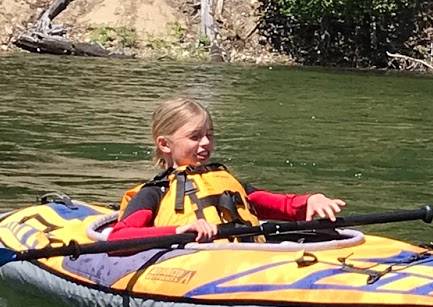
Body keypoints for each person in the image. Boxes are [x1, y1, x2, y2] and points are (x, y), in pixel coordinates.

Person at [107, 97, 346, 243]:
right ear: (164, 144)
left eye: (209, 136)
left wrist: (310, 201)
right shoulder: (155, 191)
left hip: (244, 255)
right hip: (197, 264)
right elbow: (120, 237)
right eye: (194, 137)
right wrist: (181, 229)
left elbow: (275, 204)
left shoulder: (225, 181)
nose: (205, 144)